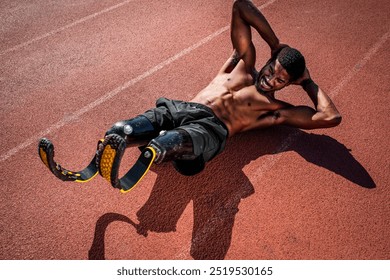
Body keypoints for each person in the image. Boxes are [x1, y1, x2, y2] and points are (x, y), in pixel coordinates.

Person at [96, 0, 341, 188]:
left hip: (210, 129)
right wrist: (276, 44)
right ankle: (123, 138)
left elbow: (330, 118)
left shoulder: (274, 110)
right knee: (121, 129)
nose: (269, 79)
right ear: (268, 61)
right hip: (183, 108)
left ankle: (163, 146)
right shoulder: (244, 63)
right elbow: (241, 6)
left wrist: (308, 82)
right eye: (270, 70)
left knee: (177, 143)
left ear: (288, 85)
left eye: (280, 81)